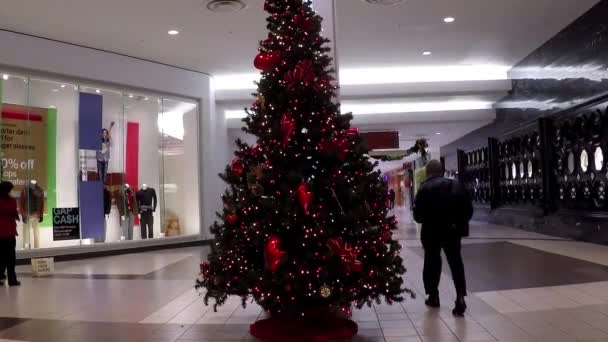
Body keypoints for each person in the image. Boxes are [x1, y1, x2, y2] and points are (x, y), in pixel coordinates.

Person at [413, 160, 473, 316]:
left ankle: (433, 296)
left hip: (431, 232)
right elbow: (468, 210)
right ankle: (460, 297)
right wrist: (458, 224)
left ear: (427, 172)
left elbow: (418, 216)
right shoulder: (457, 186)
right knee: (455, 263)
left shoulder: (424, 188)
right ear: (442, 171)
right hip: (452, 232)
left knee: (432, 262)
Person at [0, 181, 21, 287]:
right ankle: (12, 280)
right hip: (9, 232)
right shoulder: (12, 201)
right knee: (10, 258)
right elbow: (14, 214)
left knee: (1, 256)